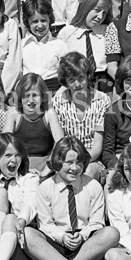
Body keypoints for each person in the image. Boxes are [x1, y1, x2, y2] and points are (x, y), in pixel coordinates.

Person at [24, 137, 120, 260]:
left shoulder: (93, 186)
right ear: (58, 162)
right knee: (27, 234)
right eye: (69, 162)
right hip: (55, 243)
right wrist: (62, 237)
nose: (74, 168)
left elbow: (96, 222)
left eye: (79, 162)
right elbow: (45, 224)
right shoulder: (46, 187)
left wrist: (82, 236)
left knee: (112, 233)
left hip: (85, 246)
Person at [50, 52, 111, 182]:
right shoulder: (57, 102)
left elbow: (97, 148)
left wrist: (79, 163)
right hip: (66, 160)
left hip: (92, 160)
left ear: (88, 76)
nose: (77, 84)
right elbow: (59, 142)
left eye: (81, 78)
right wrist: (70, 163)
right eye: (72, 80)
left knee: (87, 173)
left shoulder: (102, 100)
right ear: (66, 82)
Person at [3, 73, 64, 173]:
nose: (31, 100)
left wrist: (47, 169)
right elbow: (5, 143)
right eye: (26, 96)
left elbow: (60, 143)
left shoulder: (48, 113)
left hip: (45, 165)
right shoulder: (14, 113)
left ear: (42, 96)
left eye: (35, 95)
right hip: (19, 164)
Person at [58, 0, 114, 93]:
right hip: (78, 81)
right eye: (97, 10)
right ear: (86, 6)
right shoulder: (67, 33)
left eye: (104, 13)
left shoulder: (107, 31)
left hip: (103, 82)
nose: (100, 16)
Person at [21, 0, 68, 93]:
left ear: (50, 19)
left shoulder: (59, 45)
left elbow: (67, 74)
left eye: (43, 20)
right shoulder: (21, 46)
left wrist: (60, 93)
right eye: (34, 21)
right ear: (27, 22)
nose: (40, 26)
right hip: (29, 92)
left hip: (54, 91)